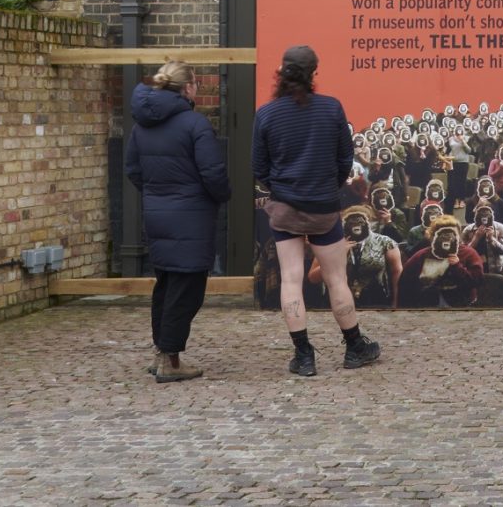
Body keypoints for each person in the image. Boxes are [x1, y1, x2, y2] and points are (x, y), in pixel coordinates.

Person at [253, 45, 382, 375]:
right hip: (325, 208)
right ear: (314, 74)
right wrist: (329, 187)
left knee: (291, 280)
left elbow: (259, 168)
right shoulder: (331, 109)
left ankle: (304, 356)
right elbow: (344, 161)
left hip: (285, 208)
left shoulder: (266, 115)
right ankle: (355, 347)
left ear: (281, 73)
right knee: (337, 278)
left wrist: (282, 189)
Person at [123, 61, 228, 382]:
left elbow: (133, 169)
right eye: (196, 82)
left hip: (158, 214)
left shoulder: (141, 126)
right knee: (187, 289)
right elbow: (213, 173)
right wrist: (220, 195)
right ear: (188, 88)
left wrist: (157, 195)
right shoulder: (195, 124)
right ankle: (170, 359)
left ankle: (162, 353)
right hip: (191, 217)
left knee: (166, 285)